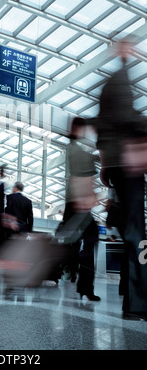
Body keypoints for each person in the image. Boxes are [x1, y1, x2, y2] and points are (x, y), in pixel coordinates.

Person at [96, 38, 147, 320]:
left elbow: (102, 129)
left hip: (118, 166)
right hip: (130, 166)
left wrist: (105, 165)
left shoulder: (110, 85)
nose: (134, 51)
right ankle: (138, 302)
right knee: (138, 235)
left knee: (133, 234)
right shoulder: (120, 81)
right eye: (130, 47)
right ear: (121, 50)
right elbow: (129, 120)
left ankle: (133, 299)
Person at [63, 117, 100, 301]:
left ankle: (81, 281)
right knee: (89, 239)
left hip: (76, 202)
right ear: (78, 129)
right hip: (78, 203)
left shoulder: (73, 148)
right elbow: (79, 178)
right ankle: (82, 282)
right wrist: (84, 199)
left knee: (81, 241)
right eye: (83, 129)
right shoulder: (77, 151)